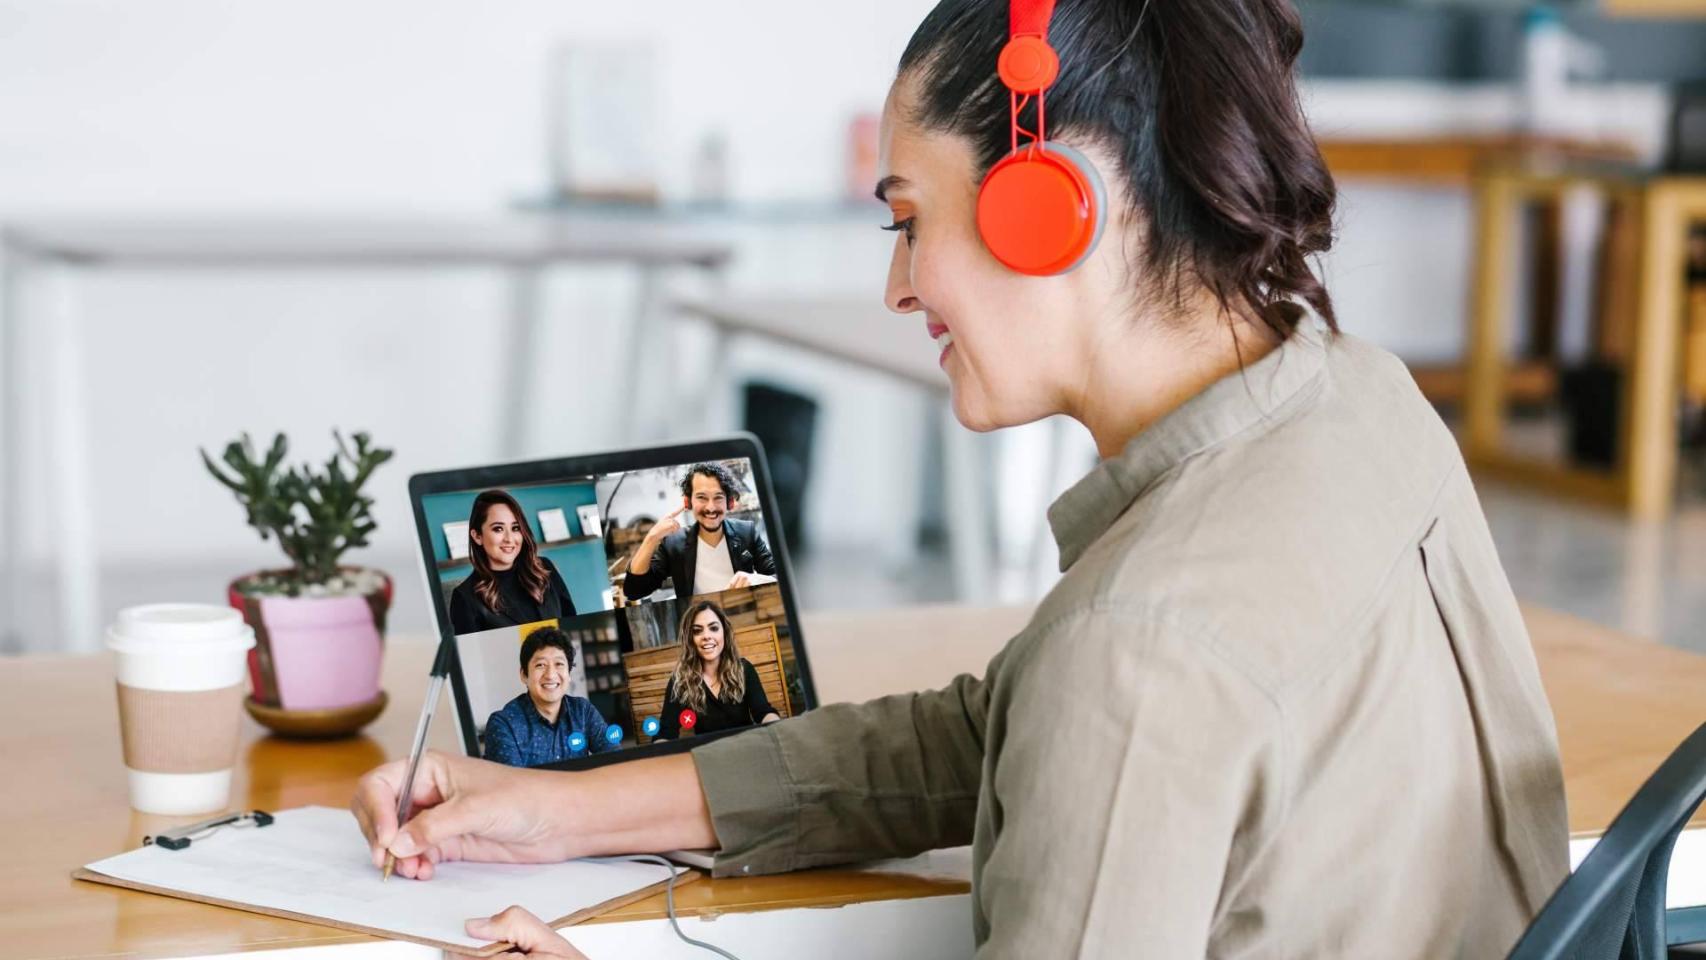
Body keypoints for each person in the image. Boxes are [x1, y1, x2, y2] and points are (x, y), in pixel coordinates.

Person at [353, 1, 1568, 956]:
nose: (896, 288)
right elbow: (1002, 732)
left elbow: (1106, 700)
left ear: (1051, 212)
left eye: (904, 221)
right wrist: (556, 811)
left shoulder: (1138, 650)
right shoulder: (1360, 397)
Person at [620, 462, 776, 602]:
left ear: (729, 502)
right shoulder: (674, 543)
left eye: (718, 497)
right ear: (688, 502)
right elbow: (634, 591)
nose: (710, 507)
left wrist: (757, 580)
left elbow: (777, 575)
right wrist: (652, 537)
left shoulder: (746, 532)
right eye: (702, 497)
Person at [482, 627, 618, 767]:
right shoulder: (504, 724)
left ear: (569, 674)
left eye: (559, 664)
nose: (551, 675)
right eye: (540, 665)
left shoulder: (583, 711)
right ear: (524, 675)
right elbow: (513, 785)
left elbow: (615, 758)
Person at [448, 490, 576, 634]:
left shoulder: (545, 568)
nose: (509, 538)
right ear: (477, 536)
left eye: (515, 528)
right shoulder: (465, 599)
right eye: (498, 529)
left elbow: (572, 627)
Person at [653, 601, 780, 740]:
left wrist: (779, 729)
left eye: (713, 628)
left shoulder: (744, 669)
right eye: (697, 631)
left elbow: (763, 713)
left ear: (724, 633)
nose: (706, 636)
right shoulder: (680, 681)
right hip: (707, 755)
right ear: (690, 639)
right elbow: (666, 733)